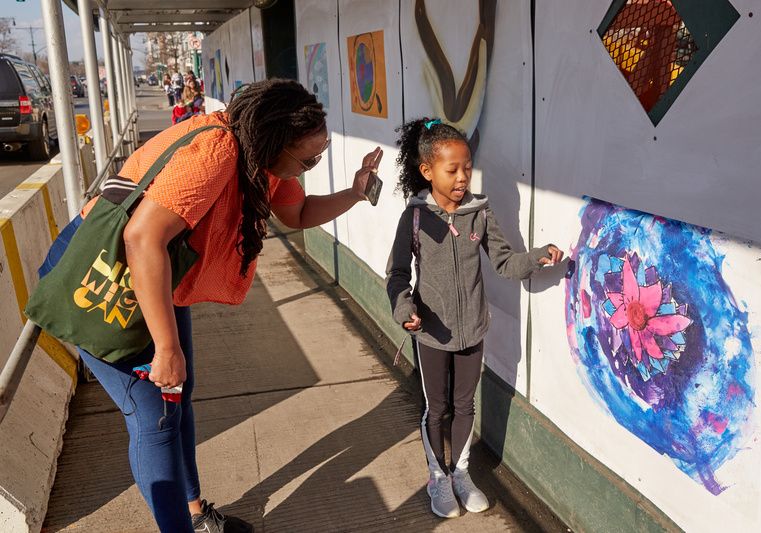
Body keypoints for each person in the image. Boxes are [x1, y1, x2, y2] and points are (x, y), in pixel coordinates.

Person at [73, 79, 383, 532]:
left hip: (157, 279)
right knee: (156, 417)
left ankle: (195, 513)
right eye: (309, 159)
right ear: (275, 139)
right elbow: (141, 238)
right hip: (105, 281)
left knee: (179, 397)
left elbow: (296, 215)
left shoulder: (261, 161)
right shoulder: (217, 151)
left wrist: (355, 193)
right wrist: (165, 347)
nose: (312, 167)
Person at [385, 118, 563, 519]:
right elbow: (396, 274)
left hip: (473, 330)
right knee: (438, 408)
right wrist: (404, 310)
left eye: (467, 167)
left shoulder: (479, 213)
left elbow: (504, 262)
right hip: (430, 333)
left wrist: (537, 256)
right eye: (453, 170)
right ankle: (437, 477)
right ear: (427, 170)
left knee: (465, 405)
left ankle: (460, 473)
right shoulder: (415, 218)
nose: (463, 177)